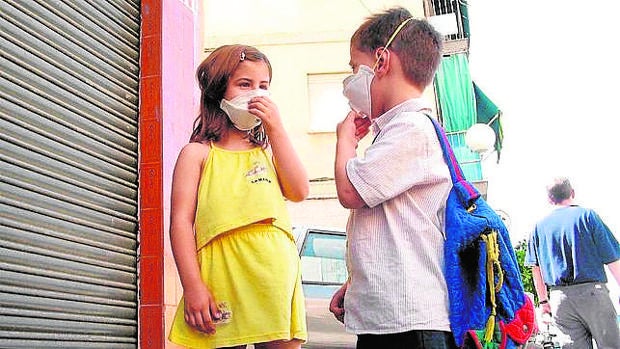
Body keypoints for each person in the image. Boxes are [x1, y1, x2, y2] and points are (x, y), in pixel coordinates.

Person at [328, 7, 458, 349]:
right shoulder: (400, 130)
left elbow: (351, 192)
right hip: (396, 318)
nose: (351, 80)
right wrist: (356, 283)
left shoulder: (411, 127)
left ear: (381, 61)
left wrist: (344, 141)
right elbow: (394, 226)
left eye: (356, 68)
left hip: (409, 324)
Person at [167, 44, 309, 349]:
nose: (256, 94)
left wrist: (277, 129)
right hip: (220, 273)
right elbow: (180, 222)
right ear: (219, 90)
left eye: (264, 86)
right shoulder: (198, 154)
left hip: (273, 273)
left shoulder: (268, 151)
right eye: (244, 84)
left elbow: (299, 190)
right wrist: (192, 286)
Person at [525, 176, 620, 349]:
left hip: (560, 299)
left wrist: (544, 302)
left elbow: (536, 268)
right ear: (572, 193)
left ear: (549, 199)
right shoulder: (587, 216)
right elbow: (612, 257)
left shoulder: (538, 227)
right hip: (593, 294)